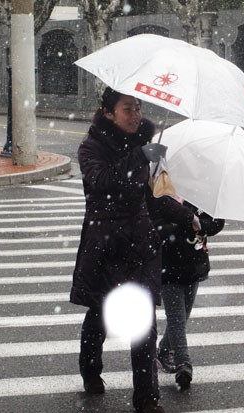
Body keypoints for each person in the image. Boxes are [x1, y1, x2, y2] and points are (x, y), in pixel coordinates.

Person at [70, 87, 168, 413]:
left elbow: (149, 197)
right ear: (109, 113)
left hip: (139, 243)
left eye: (138, 108)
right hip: (105, 245)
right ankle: (90, 369)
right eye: (128, 109)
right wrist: (139, 158)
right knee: (100, 314)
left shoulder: (143, 145)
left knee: (145, 322)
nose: (136, 115)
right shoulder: (91, 147)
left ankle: (147, 398)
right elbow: (101, 181)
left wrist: (185, 217)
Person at [150, 195, 225, 390]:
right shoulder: (161, 193)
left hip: (194, 265)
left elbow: (217, 223)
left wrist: (198, 225)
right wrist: (184, 222)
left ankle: (164, 351)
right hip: (168, 267)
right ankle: (184, 363)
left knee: (183, 315)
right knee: (176, 319)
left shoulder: (203, 193)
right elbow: (155, 228)